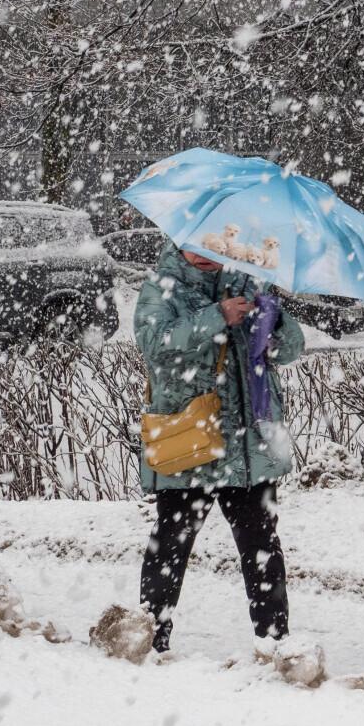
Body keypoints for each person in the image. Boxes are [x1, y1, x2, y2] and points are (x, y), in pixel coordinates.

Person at [132, 241, 305, 654]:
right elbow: (155, 344)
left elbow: (290, 351)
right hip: (190, 440)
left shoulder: (249, 283)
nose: (204, 252)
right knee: (171, 542)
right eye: (196, 244)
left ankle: (274, 644)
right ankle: (150, 639)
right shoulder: (163, 286)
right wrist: (217, 316)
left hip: (247, 446)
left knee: (262, 545)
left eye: (214, 244)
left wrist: (274, 321)